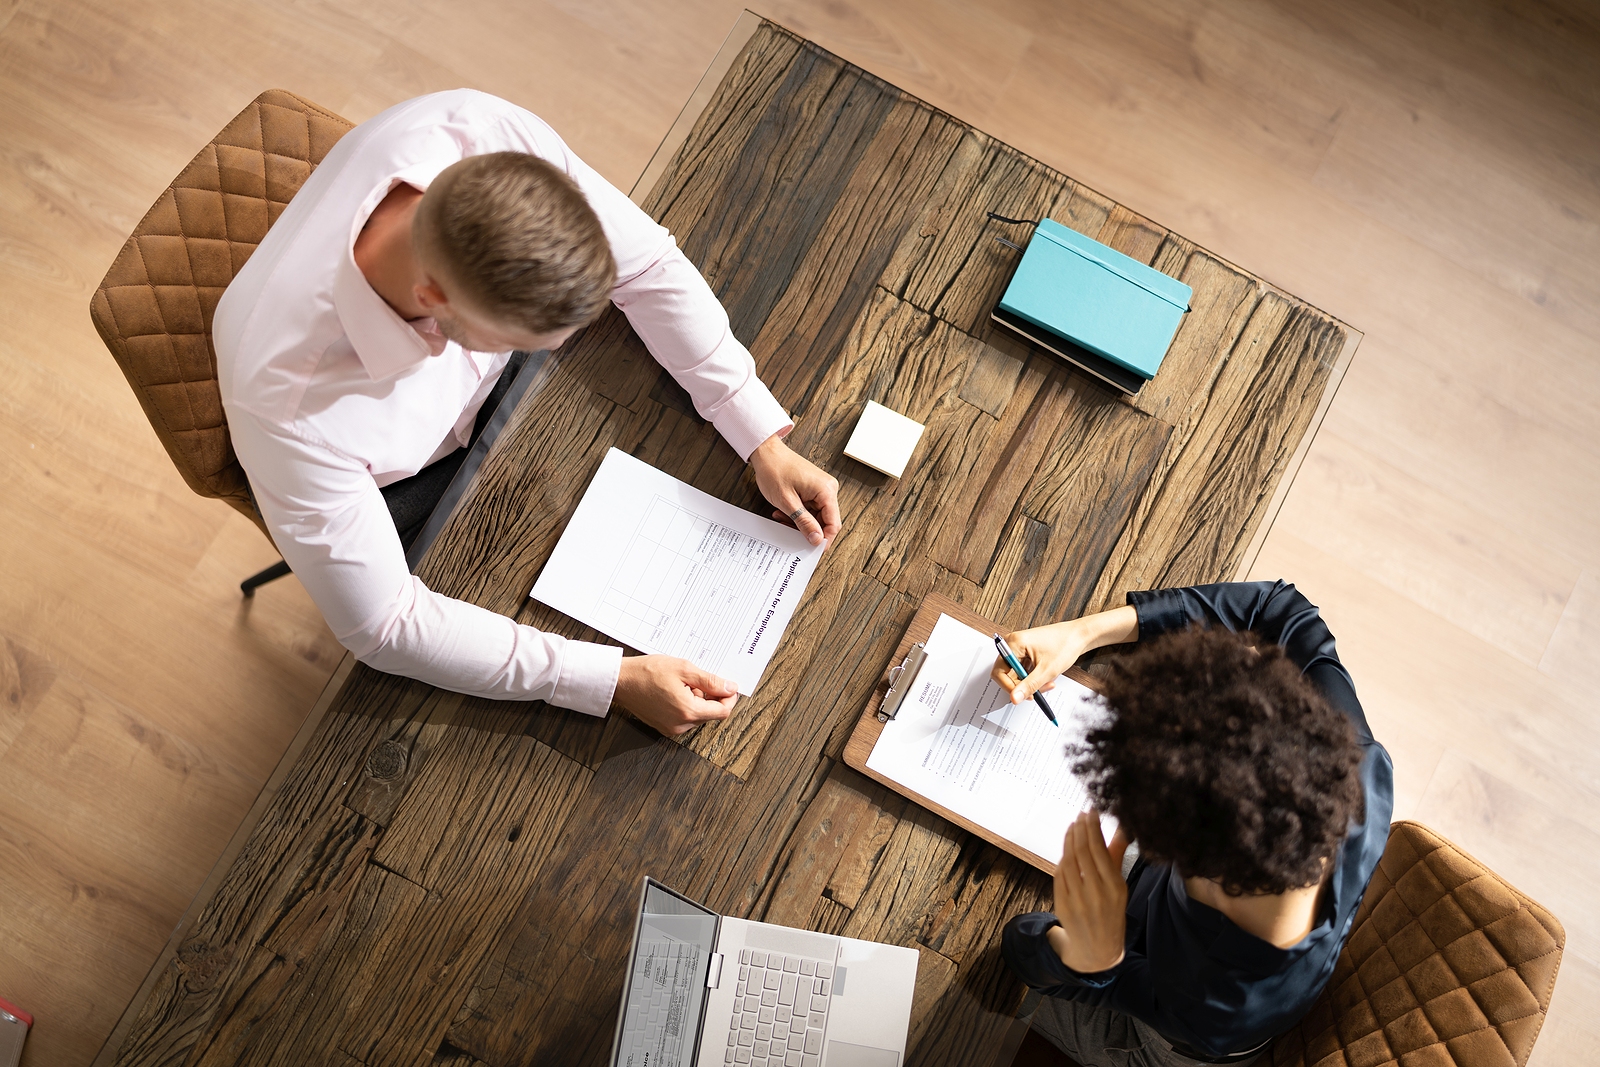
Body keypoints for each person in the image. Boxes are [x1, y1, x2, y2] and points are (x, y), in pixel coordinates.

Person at [214, 90, 840, 738]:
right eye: (520, 339)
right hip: (410, 485)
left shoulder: (482, 133)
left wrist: (758, 433)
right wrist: (610, 680)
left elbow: (647, 267)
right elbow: (385, 625)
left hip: (502, 400)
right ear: (432, 299)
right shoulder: (289, 406)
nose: (546, 349)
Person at [992, 581, 1393, 1066]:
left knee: (984, 981)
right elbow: (1279, 607)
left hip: (1164, 1040)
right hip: (1184, 963)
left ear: (1177, 859)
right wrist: (1084, 633)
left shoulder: (1212, 998)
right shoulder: (1358, 766)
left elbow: (1020, 952)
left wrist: (1088, 958)